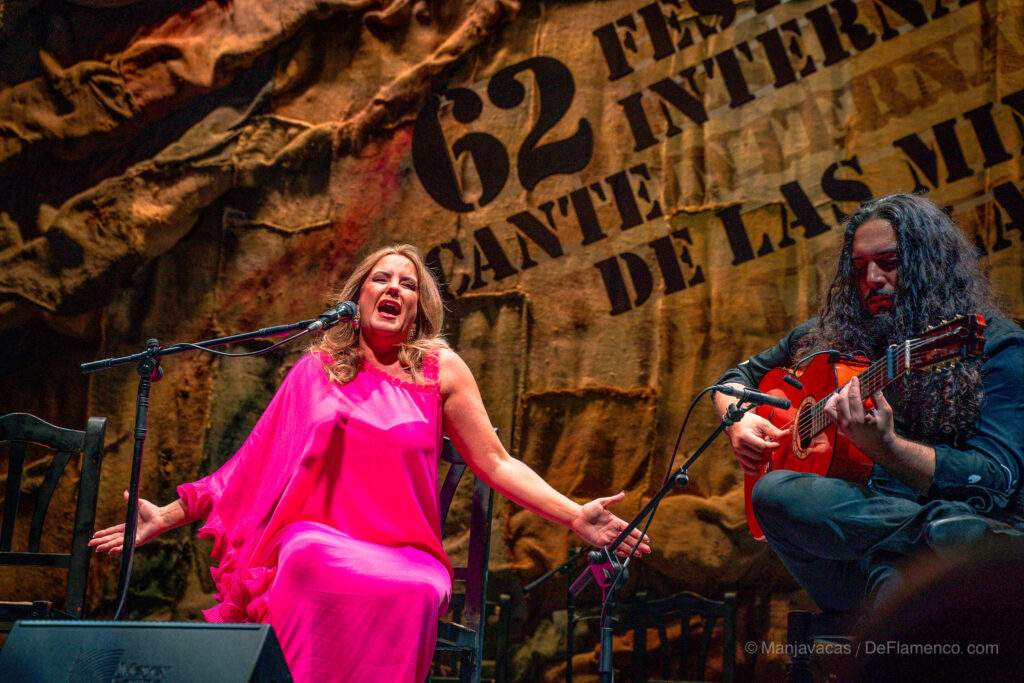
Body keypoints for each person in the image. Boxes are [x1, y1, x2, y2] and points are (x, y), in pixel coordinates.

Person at [89, 244, 651, 682]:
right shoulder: (317, 369)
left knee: (415, 591)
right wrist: (166, 515)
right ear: (356, 297)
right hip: (320, 538)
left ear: (418, 309)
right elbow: (251, 463)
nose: (394, 288)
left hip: (407, 553)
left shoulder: (440, 369)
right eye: (382, 278)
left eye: (408, 284)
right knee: (305, 561)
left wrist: (573, 514)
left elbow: (497, 463)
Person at [712, 193, 1024, 613]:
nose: (872, 279)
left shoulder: (996, 345)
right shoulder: (830, 334)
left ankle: (916, 551)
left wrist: (888, 450)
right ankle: (925, 533)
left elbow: (995, 479)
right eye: (859, 268)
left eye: (889, 263)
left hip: (971, 562)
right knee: (771, 493)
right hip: (868, 546)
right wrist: (739, 422)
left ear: (931, 264)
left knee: (899, 578)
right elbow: (735, 380)